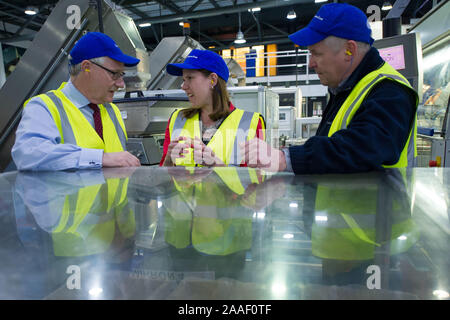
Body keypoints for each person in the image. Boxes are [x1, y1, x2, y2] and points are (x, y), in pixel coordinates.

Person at [240, 3, 419, 174]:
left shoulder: (390, 91)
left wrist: (284, 159)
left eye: (316, 53)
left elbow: (363, 147)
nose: (310, 63)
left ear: (349, 50)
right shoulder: (344, 88)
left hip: (374, 206)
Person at [12, 32, 141, 171]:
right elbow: (29, 155)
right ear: (86, 67)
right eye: (114, 74)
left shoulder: (113, 111)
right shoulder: (44, 107)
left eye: (122, 75)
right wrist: (100, 158)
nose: (121, 84)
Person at [159, 49, 265, 167]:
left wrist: (219, 166)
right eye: (183, 80)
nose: (183, 86)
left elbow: (257, 181)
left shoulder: (250, 123)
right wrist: (168, 159)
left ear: (213, 80)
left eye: (190, 78)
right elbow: (164, 177)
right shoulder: (177, 119)